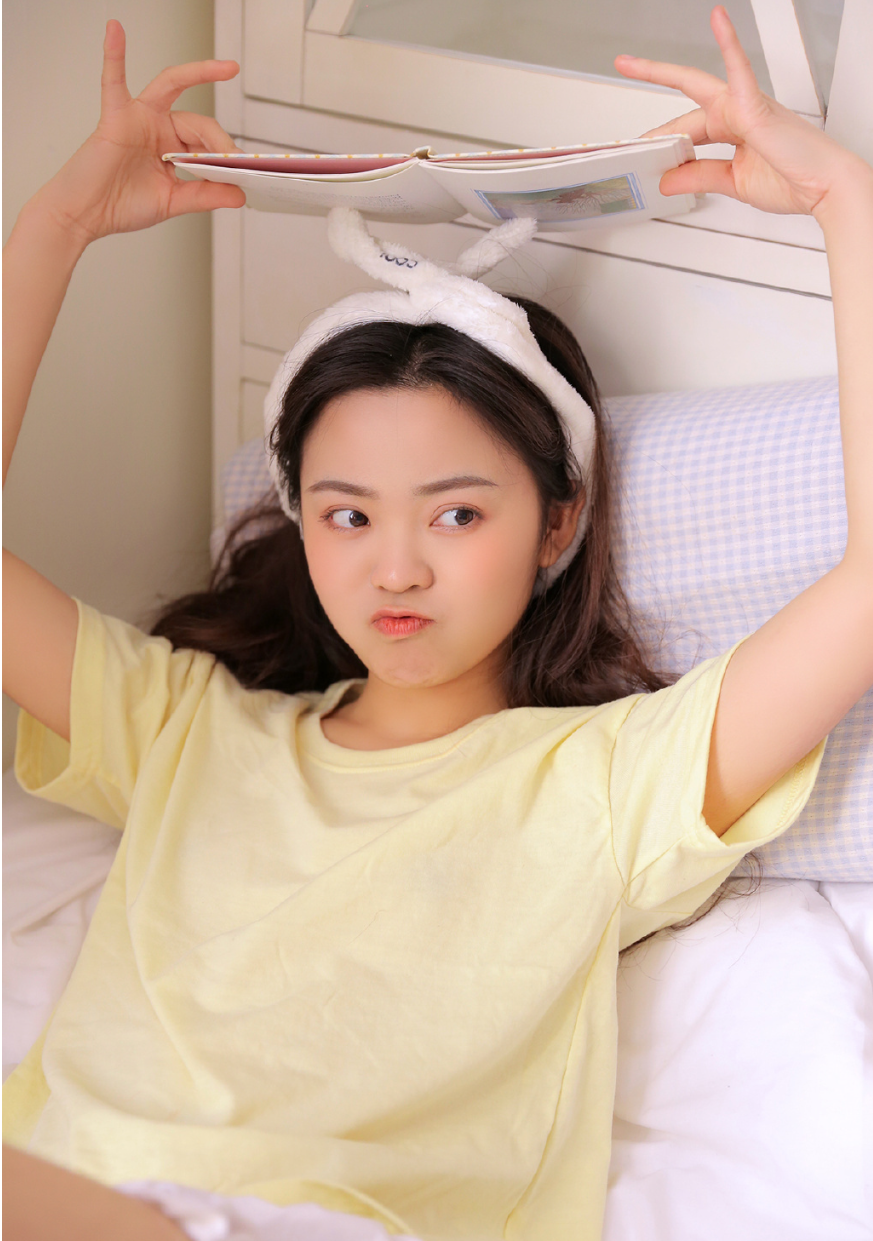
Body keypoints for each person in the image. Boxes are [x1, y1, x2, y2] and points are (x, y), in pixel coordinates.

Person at [3, 6, 872, 1240]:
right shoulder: (183, 726)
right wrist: (56, 226)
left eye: (457, 514)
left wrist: (844, 199)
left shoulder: (606, 783)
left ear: (557, 523)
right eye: (346, 514)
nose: (396, 567)